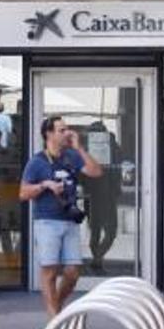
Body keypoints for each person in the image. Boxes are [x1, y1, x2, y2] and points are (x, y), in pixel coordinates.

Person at [20, 116, 103, 318]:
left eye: (67, 129)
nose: (66, 133)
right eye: (61, 130)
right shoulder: (37, 162)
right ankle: (53, 317)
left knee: (73, 271)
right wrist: (44, 185)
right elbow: (23, 193)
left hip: (69, 219)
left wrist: (79, 147)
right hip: (47, 220)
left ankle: (56, 305)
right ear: (48, 134)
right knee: (49, 270)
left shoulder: (71, 156)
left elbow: (96, 172)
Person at [83, 122, 122, 275]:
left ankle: (97, 259)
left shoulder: (111, 147)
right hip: (98, 195)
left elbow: (117, 169)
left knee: (102, 231)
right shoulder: (89, 149)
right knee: (100, 231)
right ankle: (97, 260)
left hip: (101, 195)